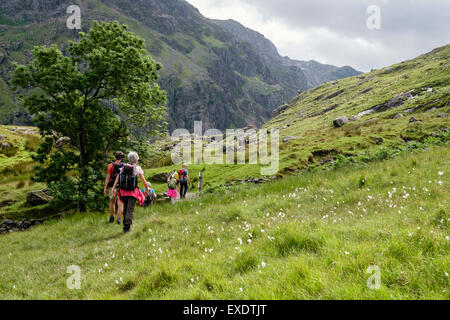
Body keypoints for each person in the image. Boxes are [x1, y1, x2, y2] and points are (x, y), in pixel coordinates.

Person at [112, 152, 149, 233]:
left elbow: (118, 178)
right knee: (130, 209)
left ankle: (125, 225)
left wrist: (113, 188)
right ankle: (127, 227)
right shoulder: (137, 168)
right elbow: (144, 182)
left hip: (123, 192)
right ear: (136, 159)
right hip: (132, 192)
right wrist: (146, 190)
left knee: (125, 208)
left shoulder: (123, 167)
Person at [104, 151, 125, 224]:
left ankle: (111, 217)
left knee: (112, 201)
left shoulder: (111, 165)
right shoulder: (125, 166)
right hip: (121, 186)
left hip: (111, 186)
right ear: (123, 157)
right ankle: (119, 219)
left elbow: (108, 177)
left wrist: (105, 187)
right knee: (120, 203)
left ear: (115, 157)